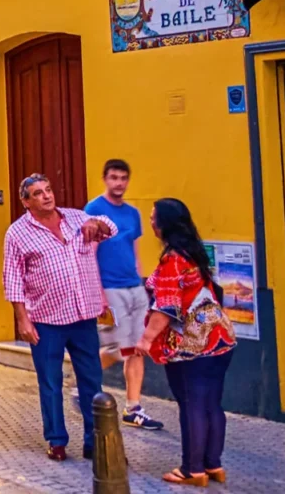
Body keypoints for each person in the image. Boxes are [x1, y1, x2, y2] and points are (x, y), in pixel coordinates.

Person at [4, 173, 117, 462]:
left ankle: (96, 441)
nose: (46, 196)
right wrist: (22, 319)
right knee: (51, 382)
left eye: (48, 190)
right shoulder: (17, 233)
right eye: (38, 193)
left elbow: (111, 228)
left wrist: (97, 223)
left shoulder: (78, 218)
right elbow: (13, 278)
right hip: (45, 319)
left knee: (91, 380)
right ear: (26, 201)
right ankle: (56, 440)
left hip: (82, 317)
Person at [140, 198, 236, 487]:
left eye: (153, 217)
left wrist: (146, 340)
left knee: (191, 404)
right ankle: (213, 465)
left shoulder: (172, 259)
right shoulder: (193, 251)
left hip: (191, 344)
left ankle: (192, 470)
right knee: (211, 404)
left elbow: (167, 307)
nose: (151, 222)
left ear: (164, 224)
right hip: (220, 336)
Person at [86, 159, 164, 431]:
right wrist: (98, 292)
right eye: (114, 177)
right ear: (105, 179)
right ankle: (81, 382)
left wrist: (142, 283)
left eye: (123, 178)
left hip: (134, 287)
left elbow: (135, 250)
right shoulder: (94, 210)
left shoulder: (133, 213)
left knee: (138, 349)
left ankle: (134, 408)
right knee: (117, 348)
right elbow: (90, 252)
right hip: (110, 287)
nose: (119, 183)